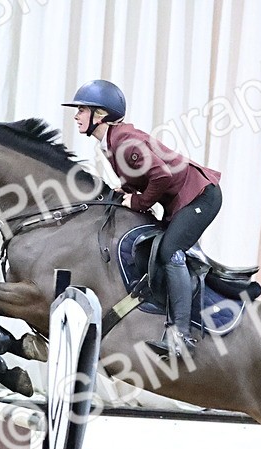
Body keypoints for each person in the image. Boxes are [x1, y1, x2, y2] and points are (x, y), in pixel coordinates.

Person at [63, 80, 222, 358]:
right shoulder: (112, 141)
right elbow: (141, 173)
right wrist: (125, 189)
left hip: (201, 197)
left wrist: (138, 202)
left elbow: (161, 175)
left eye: (82, 110)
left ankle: (181, 335)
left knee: (170, 251)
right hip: (185, 199)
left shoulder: (123, 141)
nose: (76, 116)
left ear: (100, 115)